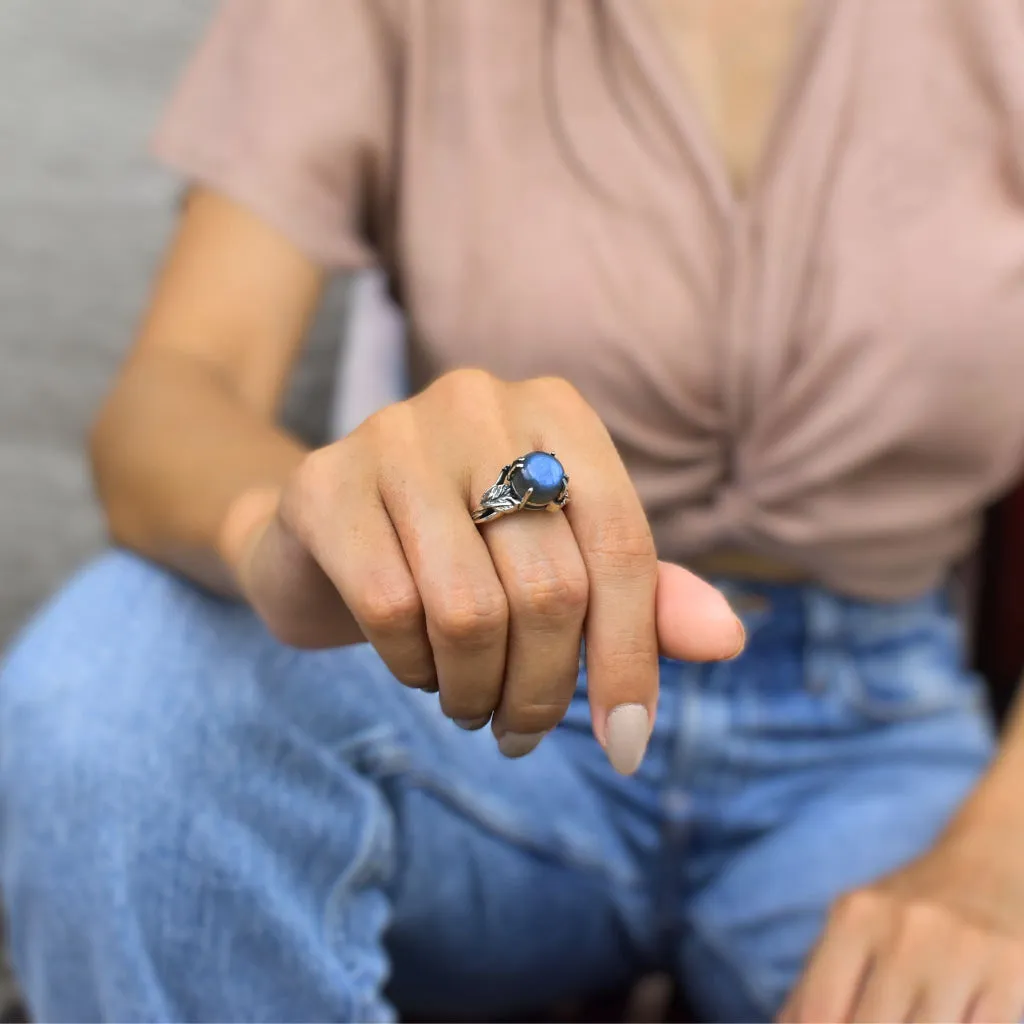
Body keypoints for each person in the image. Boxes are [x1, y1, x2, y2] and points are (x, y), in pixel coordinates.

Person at [4, 0, 1024, 1019]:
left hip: (875, 745)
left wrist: (1001, 855)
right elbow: (177, 385)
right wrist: (293, 534)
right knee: (115, 685)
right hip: (475, 688)